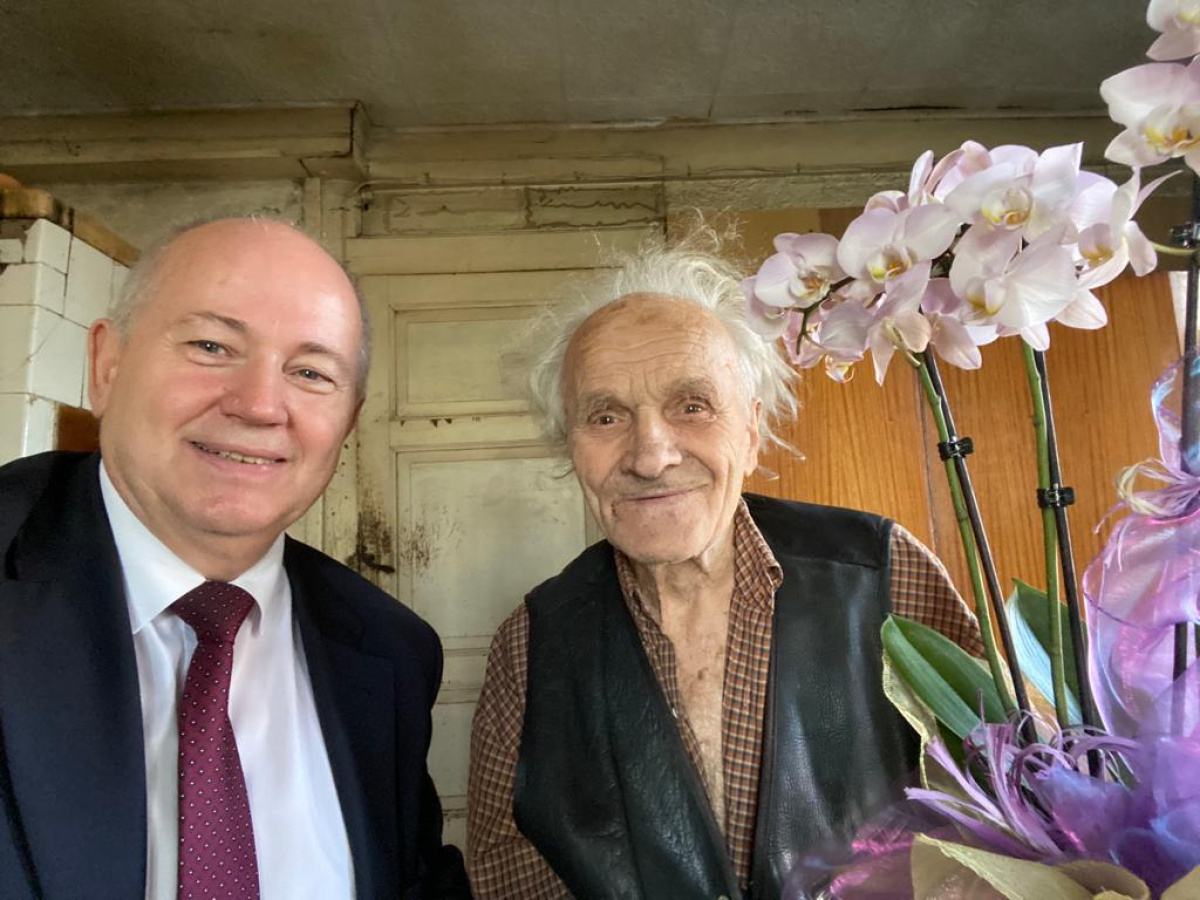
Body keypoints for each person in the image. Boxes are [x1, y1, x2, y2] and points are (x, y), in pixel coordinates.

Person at [466, 237, 984, 899]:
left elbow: (1004, 805)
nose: (650, 457)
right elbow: (506, 870)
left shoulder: (879, 571)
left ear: (752, 430)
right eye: (605, 416)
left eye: (692, 406)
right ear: (571, 446)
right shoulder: (533, 640)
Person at [0, 219, 469, 899]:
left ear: (348, 421)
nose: (259, 405)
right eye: (211, 346)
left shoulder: (389, 651)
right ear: (106, 365)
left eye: (311, 373)